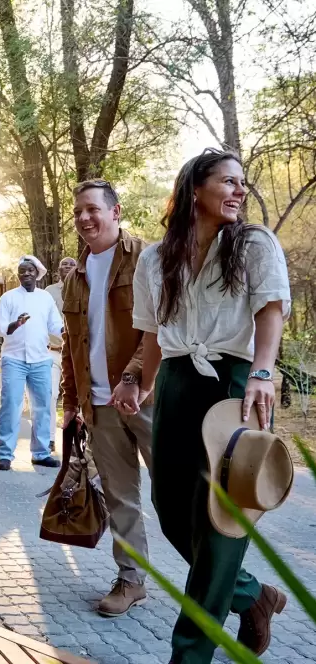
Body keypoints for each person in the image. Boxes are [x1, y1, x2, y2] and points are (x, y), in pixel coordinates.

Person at [133, 149, 290, 663]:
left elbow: (270, 309)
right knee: (172, 510)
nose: (239, 191)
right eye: (228, 181)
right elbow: (153, 336)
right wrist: (138, 379)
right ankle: (252, 595)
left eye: (241, 183)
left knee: (221, 521)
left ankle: (190, 653)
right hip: (178, 380)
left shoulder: (254, 243)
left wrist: (263, 372)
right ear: (194, 189)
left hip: (234, 380)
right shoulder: (155, 258)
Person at [60, 180, 152, 617]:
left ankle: (221, 582)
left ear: (116, 212)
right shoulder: (75, 274)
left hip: (151, 398)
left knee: (180, 496)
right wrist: (70, 402)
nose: (83, 218)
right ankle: (131, 579)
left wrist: (134, 376)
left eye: (93, 210)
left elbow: (162, 327)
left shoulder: (148, 259)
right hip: (99, 406)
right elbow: (72, 343)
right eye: (78, 211)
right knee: (120, 497)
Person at [0, 256, 64, 469]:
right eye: (22, 271)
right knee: (11, 405)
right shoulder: (8, 297)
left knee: (43, 406)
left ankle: (41, 453)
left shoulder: (45, 298)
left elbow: (54, 324)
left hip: (41, 358)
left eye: (30, 271)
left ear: (37, 273)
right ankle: (5, 454)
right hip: (14, 359)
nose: (26, 274)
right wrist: (14, 325)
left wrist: (64, 333)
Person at [44, 256, 76, 449]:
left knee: (80, 397)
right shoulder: (48, 293)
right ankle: (48, 439)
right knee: (50, 394)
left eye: (72, 264)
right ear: (58, 270)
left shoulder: (86, 287)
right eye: (64, 264)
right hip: (54, 352)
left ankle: (76, 439)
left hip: (78, 353)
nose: (68, 266)